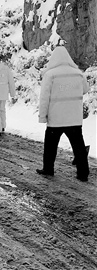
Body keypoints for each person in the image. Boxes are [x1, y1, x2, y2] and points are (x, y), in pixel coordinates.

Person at [36, 46, 90, 182]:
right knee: (78, 147)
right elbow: (85, 89)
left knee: (50, 146)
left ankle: (48, 169)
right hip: (74, 118)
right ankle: (83, 173)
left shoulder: (50, 74)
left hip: (56, 119)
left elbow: (44, 98)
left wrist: (42, 116)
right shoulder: (78, 73)